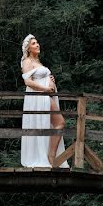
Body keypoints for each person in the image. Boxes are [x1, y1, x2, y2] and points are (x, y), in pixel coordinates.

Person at [20, 34, 69, 168]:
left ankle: (50, 155)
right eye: (34, 43)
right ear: (29, 48)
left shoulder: (39, 62)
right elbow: (28, 81)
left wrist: (51, 79)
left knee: (56, 124)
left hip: (46, 96)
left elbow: (39, 76)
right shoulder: (27, 62)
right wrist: (46, 88)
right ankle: (49, 156)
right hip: (40, 97)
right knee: (60, 122)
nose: (37, 45)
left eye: (37, 42)